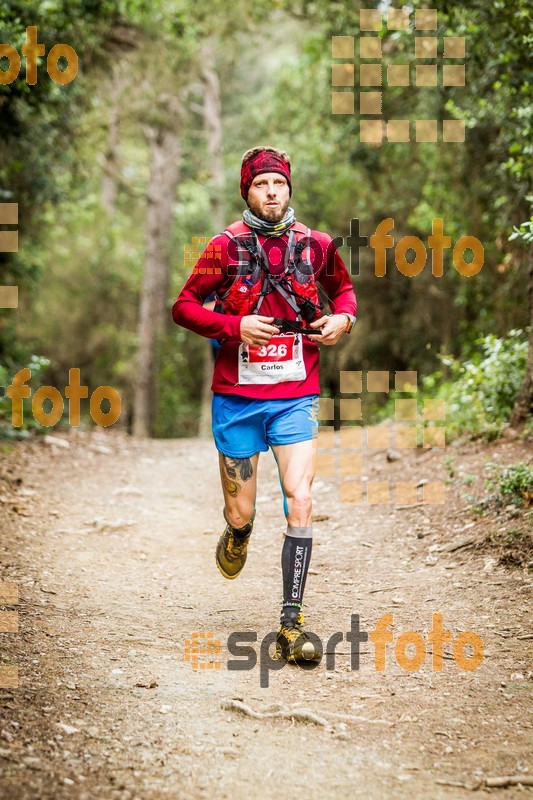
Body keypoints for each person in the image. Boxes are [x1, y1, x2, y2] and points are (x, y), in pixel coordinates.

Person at [172, 146, 357, 663]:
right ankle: (238, 532)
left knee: (301, 501)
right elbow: (182, 307)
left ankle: (291, 624)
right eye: (260, 184)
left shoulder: (315, 245)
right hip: (236, 399)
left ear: (289, 188)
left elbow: (343, 293)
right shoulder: (224, 247)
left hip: (295, 395)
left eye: (278, 182)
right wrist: (236, 327)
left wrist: (343, 321)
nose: (271, 191)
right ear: (247, 192)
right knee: (242, 509)